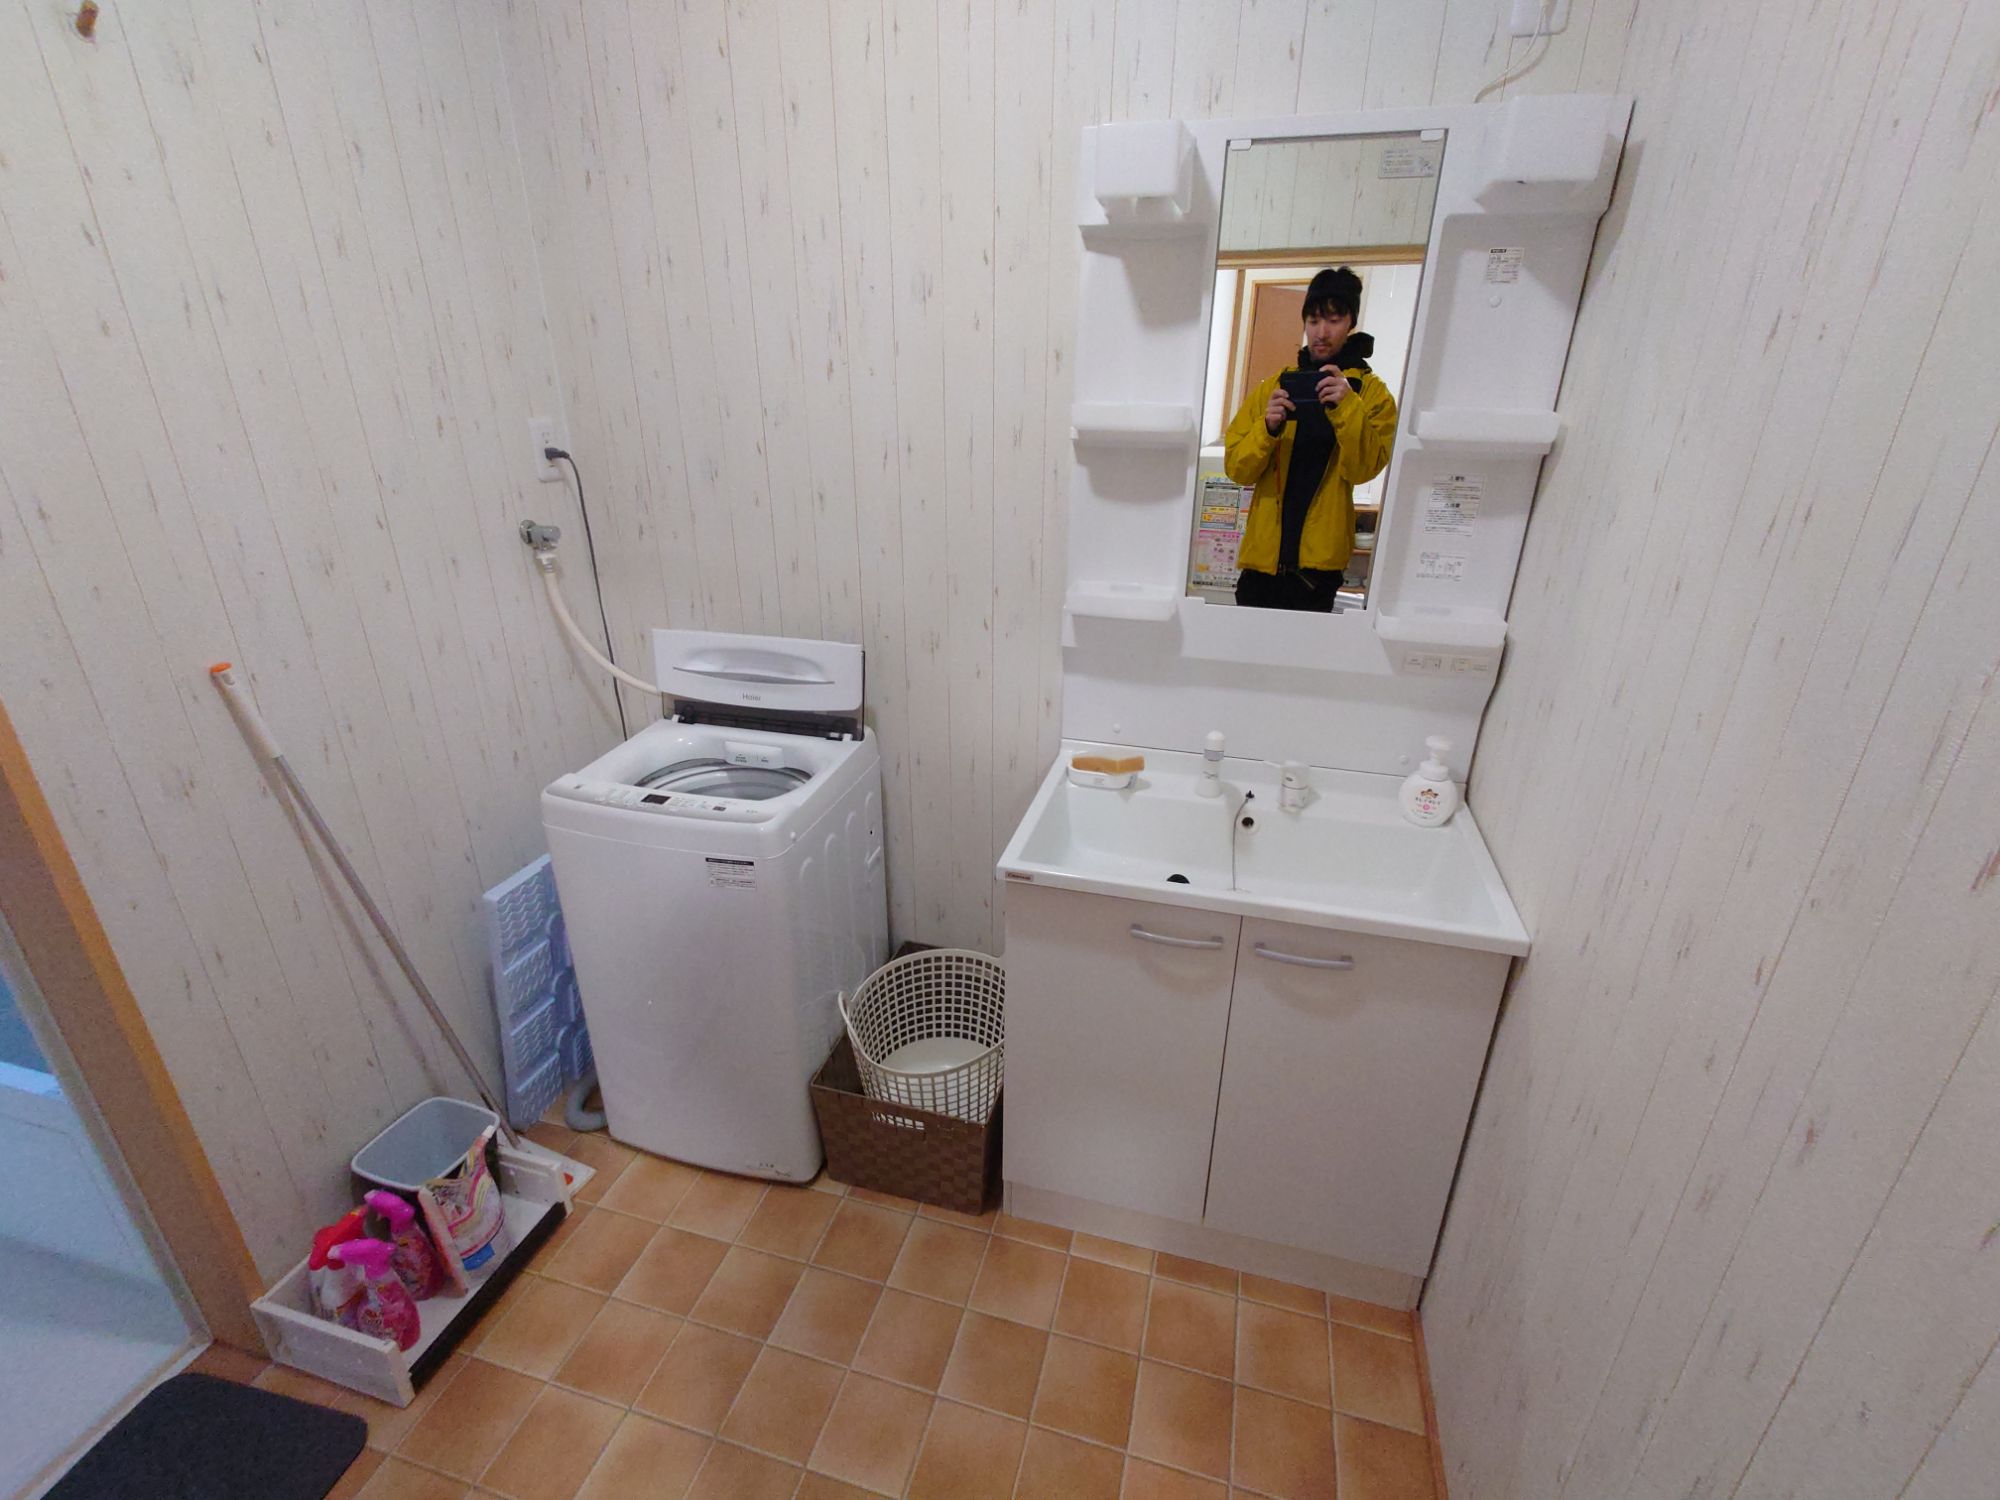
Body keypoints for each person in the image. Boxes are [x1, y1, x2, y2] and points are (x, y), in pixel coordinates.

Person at [1221, 266, 1398, 611]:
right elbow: (1237, 469)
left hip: (1317, 572)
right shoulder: (1275, 386)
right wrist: (1267, 429)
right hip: (1260, 566)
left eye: (1334, 320)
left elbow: (1363, 469)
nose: (1321, 332)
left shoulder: (1371, 395)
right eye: (1314, 320)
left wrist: (1347, 406)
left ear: (1351, 322)